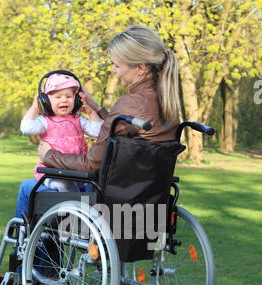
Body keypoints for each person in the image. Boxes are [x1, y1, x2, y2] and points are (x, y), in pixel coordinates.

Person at [15, 25, 180, 217]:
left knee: (28, 187)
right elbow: (118, 126)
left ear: (140, 68)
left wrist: (48, 155)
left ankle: (34, 247)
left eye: (117, 66)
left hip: (110, 202)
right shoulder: (166, 103)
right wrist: (96, 107)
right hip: (147, 202)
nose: (114, 71)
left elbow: (90, 164)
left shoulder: (130, 103)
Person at [20, 72, 103, 193]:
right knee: (65, 184)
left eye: (69, 97)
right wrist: (34, 108)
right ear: (46, 101)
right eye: (58, 97)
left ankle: (86, 207)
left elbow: (98, 131)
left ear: (76, 100)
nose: (64, 100)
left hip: (76, 171)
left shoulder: (78, 119)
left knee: (94, 184)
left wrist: (91, 113)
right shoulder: (45, 121)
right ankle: (77, 206)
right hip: (52, 174)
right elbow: (26, 128)